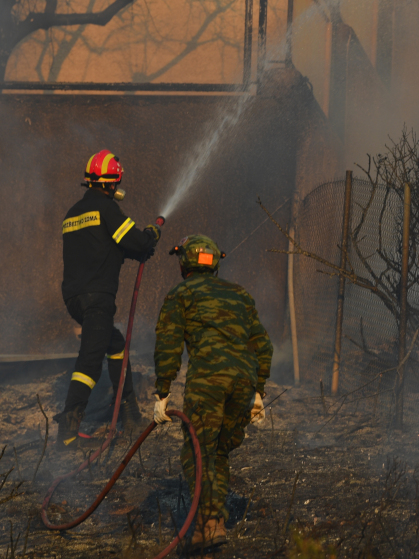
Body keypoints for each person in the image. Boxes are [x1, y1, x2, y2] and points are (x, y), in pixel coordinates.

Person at [152, 234, 272, 549]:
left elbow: (168, 343)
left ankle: (209, 523)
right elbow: (263, 345)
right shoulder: (240, 294)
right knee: (218, 451)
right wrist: (258, 391)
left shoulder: (181, 294)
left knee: (198, 453)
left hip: (208, 381)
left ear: (183, 262)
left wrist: (162, 393)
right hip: (242, 383)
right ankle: (214, 523)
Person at [54, 150, 161, 447]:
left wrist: (137, 248)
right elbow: (136, 241)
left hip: (75, 299)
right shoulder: (107, 208)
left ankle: (128, 414)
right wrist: (151, 235)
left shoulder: (72, 214)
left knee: (115, 345)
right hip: (97, 299)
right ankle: (68, 432)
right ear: (112, 183)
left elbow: (106, 247)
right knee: (90, 361)